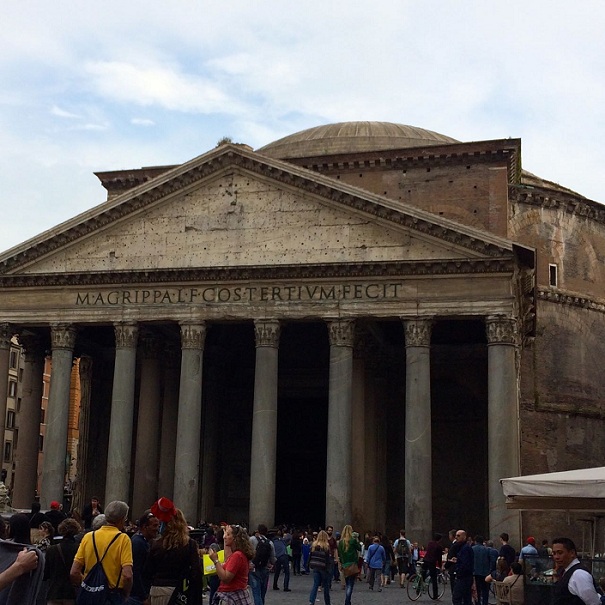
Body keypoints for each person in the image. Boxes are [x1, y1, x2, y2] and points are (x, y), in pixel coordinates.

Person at [70, 500, 134, 604]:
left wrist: (88, 583)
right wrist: (126, 594)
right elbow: (127, 575)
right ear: (122, 519)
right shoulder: (123, 539)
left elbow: (74, 572)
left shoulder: (88, 537)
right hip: (112, 595)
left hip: (89, 595)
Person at [143, 504, 202, 605]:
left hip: (157, 590)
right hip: (179, 591)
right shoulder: (189, 544)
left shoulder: (156, 544)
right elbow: (196, 572)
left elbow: (147, 572)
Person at [208, 524, 255, 605]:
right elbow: (227, 558)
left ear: (235, 538)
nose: (224, 537)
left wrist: (215, 560)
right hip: (237, 594)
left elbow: (225, 578)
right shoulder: (238, 554)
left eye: (228, 534)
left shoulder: (237, 556)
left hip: (232, 595)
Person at [552, 537, 601, 605]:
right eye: (554, 553)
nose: (556, 557)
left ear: (572, 553)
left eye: (560, 553)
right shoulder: (566, 571)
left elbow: (594, 603)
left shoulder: (579, 574)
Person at [44, 518, 81, 604]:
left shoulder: (51, 549)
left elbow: (46, 574)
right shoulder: (80, 549)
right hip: (72, 593)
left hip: (54, 592)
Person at [128, 511, 159, 604]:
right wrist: (143, 596)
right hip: (137, 596)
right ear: (145, 527)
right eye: (154, 526)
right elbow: (136, 572)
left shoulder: (143, 541)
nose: (157, 529)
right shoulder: (138, 543)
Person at [249, 523, 275, 605]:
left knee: (256, 593)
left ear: (258, 530)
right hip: (265, 568)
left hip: (254, 568)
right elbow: (273, 558)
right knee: (262, 594)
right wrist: (271, 564)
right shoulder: (270, 542)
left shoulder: (252, 539)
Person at [338, 525, 360, 605]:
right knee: (351, 585)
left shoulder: (341, 542)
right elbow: (359, 548)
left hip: (345, 565)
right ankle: (347, 601)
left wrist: (341, 564)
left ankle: (348, 601)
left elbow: (340, 554)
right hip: (353, 564)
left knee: (347, 584)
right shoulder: (353, 540)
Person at [308, 530, 332, 605]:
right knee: (326, 586)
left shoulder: (314, 545)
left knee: (315, 585)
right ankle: (327, 602)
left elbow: (310, 556)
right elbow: (327, 559)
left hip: (315, 566)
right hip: (323, 567)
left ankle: (311, 601)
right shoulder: (326, 546)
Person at [451, 530, 474, 605]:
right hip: (466, 577)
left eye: (458, 536)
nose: (456, 537)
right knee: (466, 598)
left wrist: (458, 570)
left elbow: (465, 564)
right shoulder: (463, 547)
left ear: (464, 537)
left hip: (463, 577)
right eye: (456, 535)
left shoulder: (465, 548)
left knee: (457, 597)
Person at [423, 533, 444, 599]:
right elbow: (439, 558)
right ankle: (435, 595)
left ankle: (420, 587)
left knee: (423, 574)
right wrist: (440, 566)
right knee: (434, 578)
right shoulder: (439, 547)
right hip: (432, 562)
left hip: (425, 560)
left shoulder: (430, 543)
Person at [472, 536, 491, 605]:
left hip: (475, 572)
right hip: (485, 573)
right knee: (485, 590)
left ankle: (477, 603)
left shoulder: (472, 549)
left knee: (477, 590)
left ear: (475, 541)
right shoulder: (487, 550)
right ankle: (485, 603)